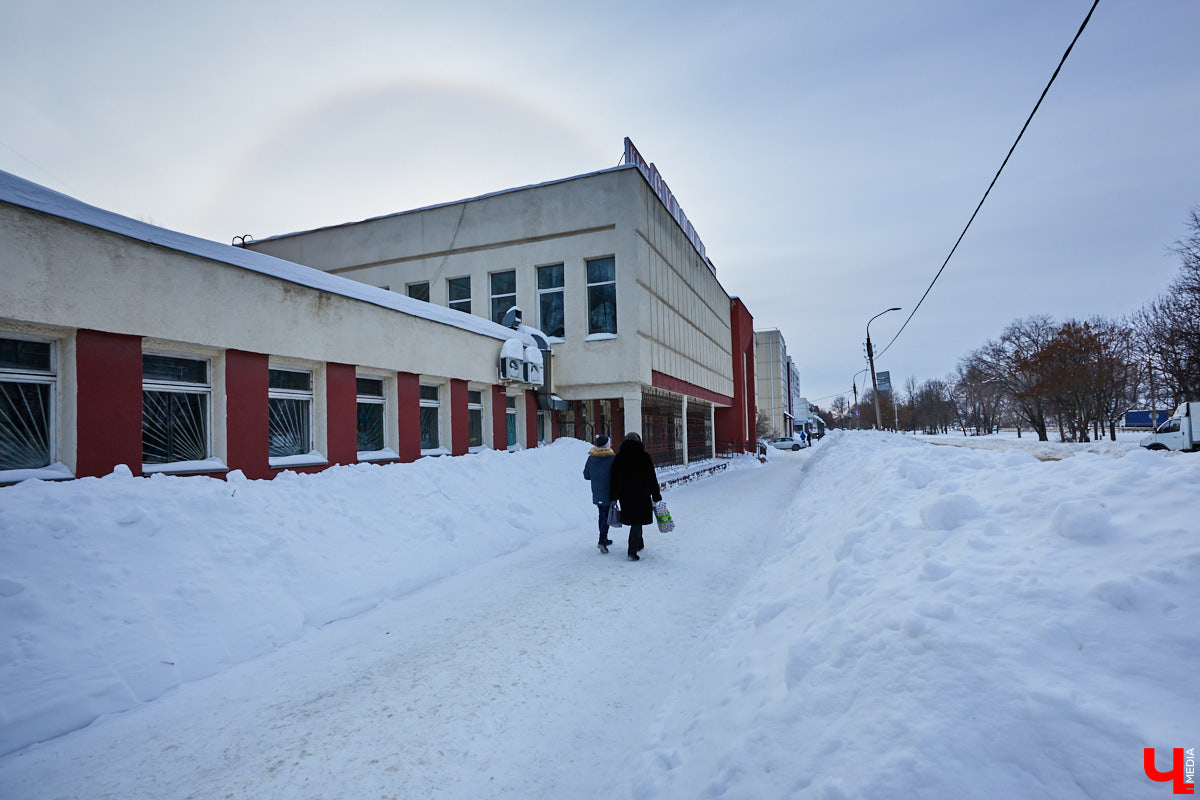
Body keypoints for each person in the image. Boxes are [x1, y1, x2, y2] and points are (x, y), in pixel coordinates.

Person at [608, 431, 662, 561]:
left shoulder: (619, 457)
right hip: (642, 493)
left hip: (625, 495)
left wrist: (614, 496)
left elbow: (615, 478)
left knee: (636, 520)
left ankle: (639, 543)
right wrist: (656, 495)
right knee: (637, 521)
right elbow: (651, 477)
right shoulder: (644, 456)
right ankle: (632, 550)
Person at [582, 434, 616, 553]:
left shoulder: (591, 457)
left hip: (596, 491)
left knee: (602, 514)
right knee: (605, 515)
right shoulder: (612, 458)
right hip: (609, 491)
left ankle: (604, 538)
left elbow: (586, 475)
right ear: (607, 445)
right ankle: (602, 540)